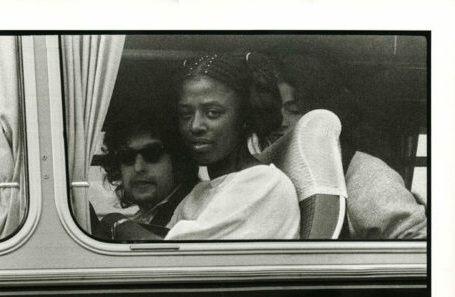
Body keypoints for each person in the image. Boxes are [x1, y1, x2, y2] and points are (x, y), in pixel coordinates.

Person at [102, 52, 301, 241]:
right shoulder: (199, 193)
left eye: (213, 113)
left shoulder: (263, 183)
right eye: (186, 114)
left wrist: (114, 221)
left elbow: (167, 256)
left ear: (245, 117)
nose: (195, 126)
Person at [267, 53, 427, 239]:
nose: (280, 122)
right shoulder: (268, 173)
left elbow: (419, 246)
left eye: (293, 110)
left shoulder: (367, 173)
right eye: (271, 111)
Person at [95, 112, 199, 238]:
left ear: (178, 159)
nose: (138, 167)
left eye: (152, 153)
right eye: (127, 156)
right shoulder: (143, 216)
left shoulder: (195, 211)